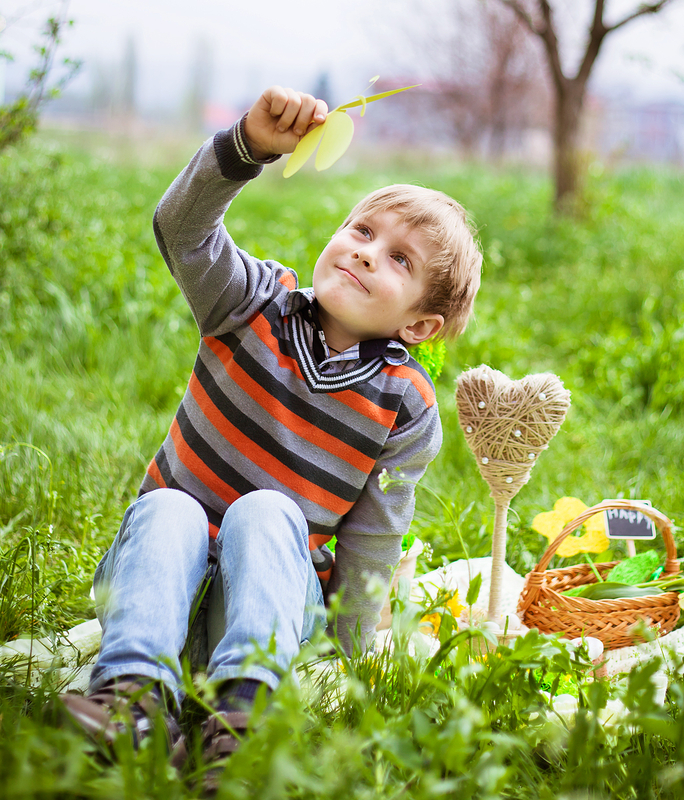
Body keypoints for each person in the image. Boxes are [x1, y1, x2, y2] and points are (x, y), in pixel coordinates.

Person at [60, 85, 482, 776]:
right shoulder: (251, 302)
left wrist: (348, 659)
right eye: (363, 231)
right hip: (153, 595)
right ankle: (133, 701)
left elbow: (375, 536)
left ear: (420, 325)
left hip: (265, 617)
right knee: (169, 508)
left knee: (267, 511)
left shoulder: (405, 406)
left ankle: (243, 722)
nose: (367, 253)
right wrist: (246, 147)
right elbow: (182, 230)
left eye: (400, 259)